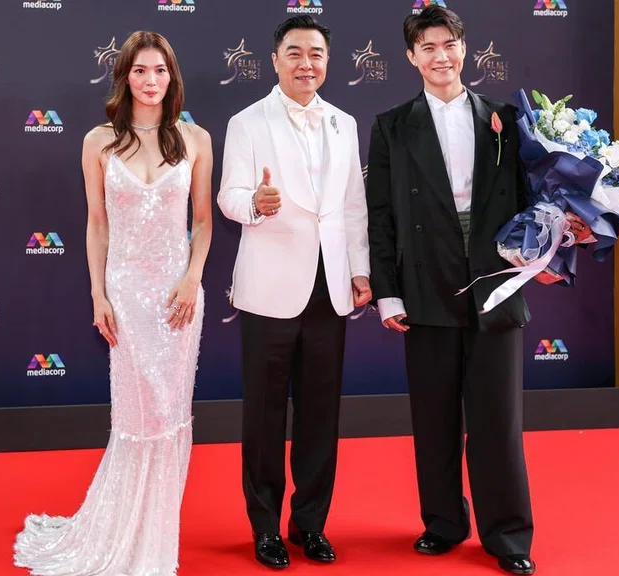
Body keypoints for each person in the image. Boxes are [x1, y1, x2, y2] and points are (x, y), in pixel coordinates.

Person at [14, 30, 213, 575]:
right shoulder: (97, 141)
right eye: (141, 71)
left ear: (173, 78)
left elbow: (201, 222)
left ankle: (156, 541)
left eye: (161, 71)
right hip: (126, 292)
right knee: (136, 415)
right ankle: (119, 534)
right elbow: (97, 223)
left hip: (177, 297)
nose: (151, 81)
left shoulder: (195, 140)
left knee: (171, 413)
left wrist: (193, 277)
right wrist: (98, 291)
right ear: (124, 76)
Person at [365, 6, 536, 575]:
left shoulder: (506, 120)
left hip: (495, 283)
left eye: (450, 44)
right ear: (411, 57)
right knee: (434, 417)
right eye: (428, 46)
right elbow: (381, 215)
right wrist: (388, 292)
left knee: (497, 421)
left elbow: (535, 202)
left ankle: (508, 535)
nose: (442, 55)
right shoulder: (392, 126)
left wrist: (557, 246)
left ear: (465, 49)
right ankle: (442, 522)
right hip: (425, 284)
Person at [217, 15, 371, 570]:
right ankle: (264, 528)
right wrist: (254, 204)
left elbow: (353, 204)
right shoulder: (247, 121)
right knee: (262, 416)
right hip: (268, 289)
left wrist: (359, 270)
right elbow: (228, 196)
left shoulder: (344, 123)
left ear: (328, 62)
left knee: (319, 415)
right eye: (295, 54)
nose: (307, 64)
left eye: (316, 55)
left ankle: (310, 524)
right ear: (275, 60)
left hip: (329, 289)